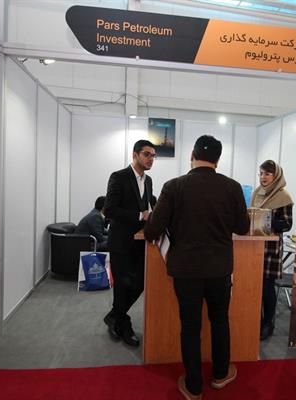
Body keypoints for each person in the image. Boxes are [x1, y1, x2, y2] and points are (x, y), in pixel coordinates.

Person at [144, 135, 249, 400]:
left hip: (185, 269)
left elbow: (153, 230)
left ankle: (193, 386)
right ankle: (220, 374)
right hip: (219, 268)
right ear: (218, 160)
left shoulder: (173, 186)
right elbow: (242, 227)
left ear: (192, 155)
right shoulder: (232, 187)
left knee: (190, 326)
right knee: (220, 320)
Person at [103, 140, 157, 347]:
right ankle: (124, 324)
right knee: (123, 286)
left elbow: (149, 205)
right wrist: (140, 215)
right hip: (121, 242)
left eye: (153, 156)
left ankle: (114, 316)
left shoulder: (148, 180)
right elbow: (110, 209)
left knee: (139, 283)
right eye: (147, 154)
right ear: (135, 154)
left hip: (140, 242)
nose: (151, 159)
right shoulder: (119, 177)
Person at [251, 159, 293, 340]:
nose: (263, 177)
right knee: (254, 286)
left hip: (270, 249)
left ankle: (268, 323)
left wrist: (265, 218)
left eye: (267, 174)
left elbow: (287, 224)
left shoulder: (284, 197)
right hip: (253, 247)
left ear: (275, 176)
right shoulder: (256, 193)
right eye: (261, 173)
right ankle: (255, 320)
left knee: (267, 287)